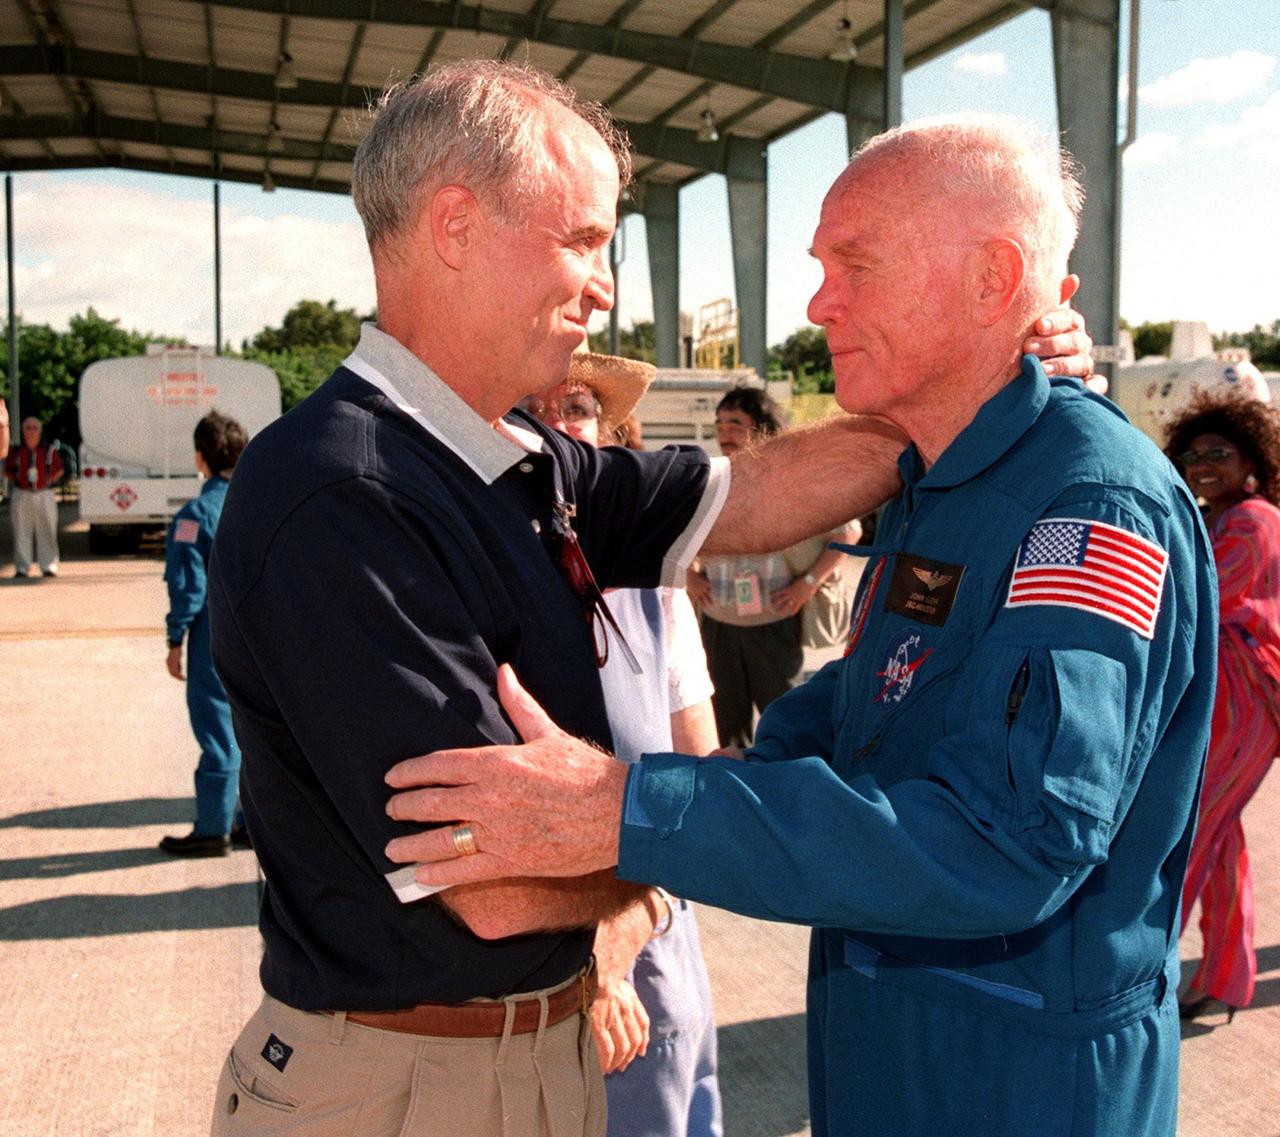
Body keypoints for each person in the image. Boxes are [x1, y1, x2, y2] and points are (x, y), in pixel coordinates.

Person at [208, 60, 1091, 1137]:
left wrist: (978, 376)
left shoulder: (513, 456)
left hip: (530, 1053)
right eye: (581, 239)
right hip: (404, 1084)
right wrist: (660, 851)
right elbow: (493, 884)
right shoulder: (342, 495)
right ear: (453, 223)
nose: (603, 285)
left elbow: (757, 490)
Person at [382, 114, 1215, 1137]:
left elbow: (1007, 845)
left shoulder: (1085, 507)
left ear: (994, 281)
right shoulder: (943, 483)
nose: (818, 303)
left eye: (854, 268)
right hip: (894, 1039)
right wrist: (690, 786)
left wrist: (632, 809)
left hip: (1013, 1078)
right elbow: (877, 696)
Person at [523, 352, 723, 1137]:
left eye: (575, 405)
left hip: (646, 939)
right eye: (527, 403)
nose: (554, 425)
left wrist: (625, 928)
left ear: (607, 433)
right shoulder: (447, 576)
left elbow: (701, 783)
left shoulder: (655, 587)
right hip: (509, 966)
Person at [1164, 393, 1280, 1022]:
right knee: (1218, 838)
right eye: (1192, 453)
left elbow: (1199, 600)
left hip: (1244, 705)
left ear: (1251, 460)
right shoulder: (1216, 517)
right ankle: (1226, 978)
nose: (1202, 463)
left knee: (1187, 835)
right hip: (1219, 699)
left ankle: (1141, 972)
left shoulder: (1254, 520)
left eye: (1219, 453)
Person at [687, 387, 857, 746]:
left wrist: (808, 583)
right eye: (720, 423)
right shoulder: (708, 480)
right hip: (719, 627)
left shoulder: (793, 484)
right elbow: (671, 536)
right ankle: (730, 798)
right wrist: (688, 575)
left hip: (775, 625)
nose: (724, 432)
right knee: (725, 730)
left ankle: (785, 797)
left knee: (786, 727)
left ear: (762, 428)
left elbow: (848, 532)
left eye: (735, 423)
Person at [159, 410, 250, 858]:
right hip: (262, 640)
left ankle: (214, 828)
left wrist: (175, 639)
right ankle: (247, 820)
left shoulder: (196, 515)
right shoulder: (262, 503)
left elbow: (187, 586)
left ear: (201, 458)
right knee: (254, 729)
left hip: (216, 639)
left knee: (217, 731)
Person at [5, 416, 63, 577]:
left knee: (47, 529)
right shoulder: (17, 451)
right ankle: (22, 567)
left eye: (34, 428)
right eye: (27, 428)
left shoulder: (49, 450)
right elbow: (8, 470)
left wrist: (48, 479)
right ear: (23, 432)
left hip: (44, 494)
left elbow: (59, 469)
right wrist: (18, 480)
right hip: (22, 494)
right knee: (21, 531)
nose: (30, 432)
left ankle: (49, 565)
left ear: (40, 431)